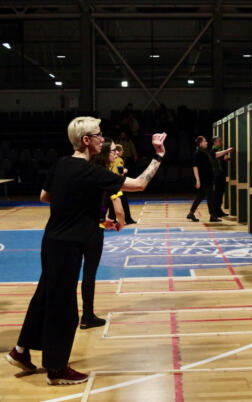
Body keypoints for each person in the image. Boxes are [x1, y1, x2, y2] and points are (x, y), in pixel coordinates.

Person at [5, 116, 167, 385]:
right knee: (65, 310)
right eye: (98, 134)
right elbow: (139, 184)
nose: (102, 139)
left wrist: (83, 212)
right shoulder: (91, 172)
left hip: (51, 242)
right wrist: (158, 156)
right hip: (68, 246)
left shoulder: (60, 164)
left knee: (44, 297)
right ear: (86, 140)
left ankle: (21, 350)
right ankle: (56, 370)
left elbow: (45, 197)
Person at [79, 138, 126, 330]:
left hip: (77, 228)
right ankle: (87, 316)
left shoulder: (86, 172)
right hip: (93, 232)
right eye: (113, 150)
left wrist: (102, 218)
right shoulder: (106, 176)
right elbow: (119, 210)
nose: (116, 153)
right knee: (89, 274)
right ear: (105, 154)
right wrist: (120, 223)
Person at [187, 136, 231, 222]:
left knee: (200, 197)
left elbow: (216, 155)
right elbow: (195, 167)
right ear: (200, 143)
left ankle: (191, 213)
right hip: (204, 179)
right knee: (210, 198)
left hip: (208, 178)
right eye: (204, 141)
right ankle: (213, 216)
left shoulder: (205, 152)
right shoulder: (197, 153)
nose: (206, 142)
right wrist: (197, 180)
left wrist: (227, 151)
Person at [110, 144, 136, 224]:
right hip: (118, 183)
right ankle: (128, 219)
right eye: (122, 150)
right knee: (124, 202)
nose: (123, 151)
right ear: (118, 151)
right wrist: (125, 170)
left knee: (110, 202)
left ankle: (112, 218)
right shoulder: (119, 159)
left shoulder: (109, 160)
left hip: (110, 182)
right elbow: (120, 171)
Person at [211, 136, 232, 217]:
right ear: (214, 142)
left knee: (220, 193)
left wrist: (226, 157)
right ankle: (215, 212)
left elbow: (226, 158)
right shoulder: (213, 151)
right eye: (219, 141)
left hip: (221, 175)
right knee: (216, 194)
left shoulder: (220, 150)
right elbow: (217, 155)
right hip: (215, 175)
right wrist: (227, 151)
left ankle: (219, 210)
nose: (221, 142)